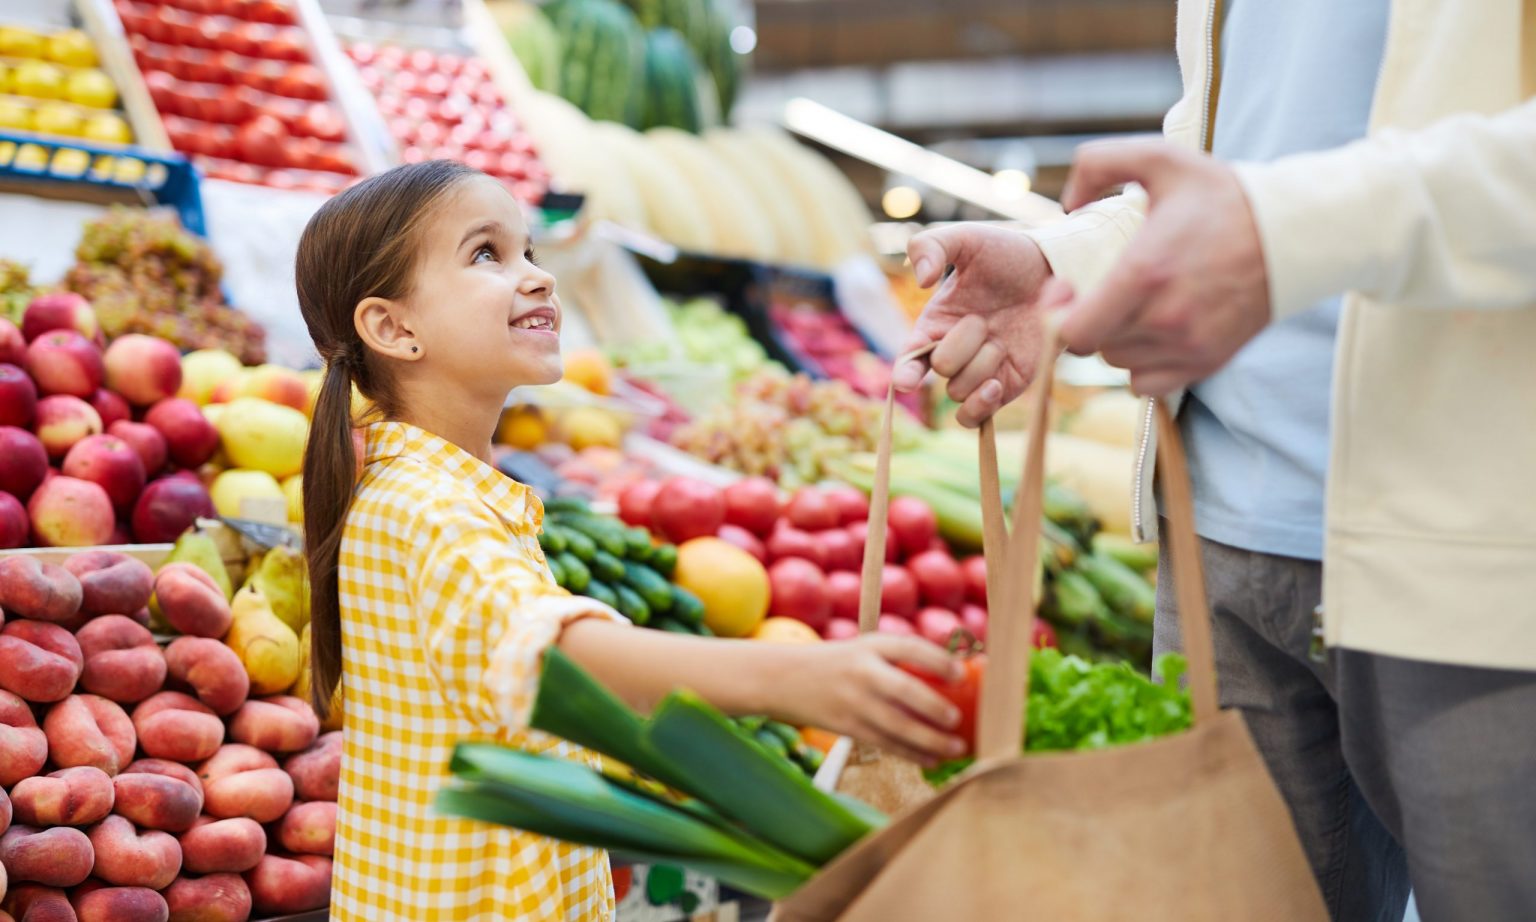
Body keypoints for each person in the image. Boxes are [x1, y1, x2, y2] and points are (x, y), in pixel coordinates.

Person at [894, 3, 1536, 920]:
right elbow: (1247, 154)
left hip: (1478, 549)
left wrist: (1284, 232)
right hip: (1218, 547)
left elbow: (1283, 206)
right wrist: (1064, 262)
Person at [295, 160, 967, 921]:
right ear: (392, 328)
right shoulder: (426, 506)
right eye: (486, 254)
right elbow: (551, 659)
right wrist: (804, 679)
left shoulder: (436, 488)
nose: (537, 278)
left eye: (530, 253)